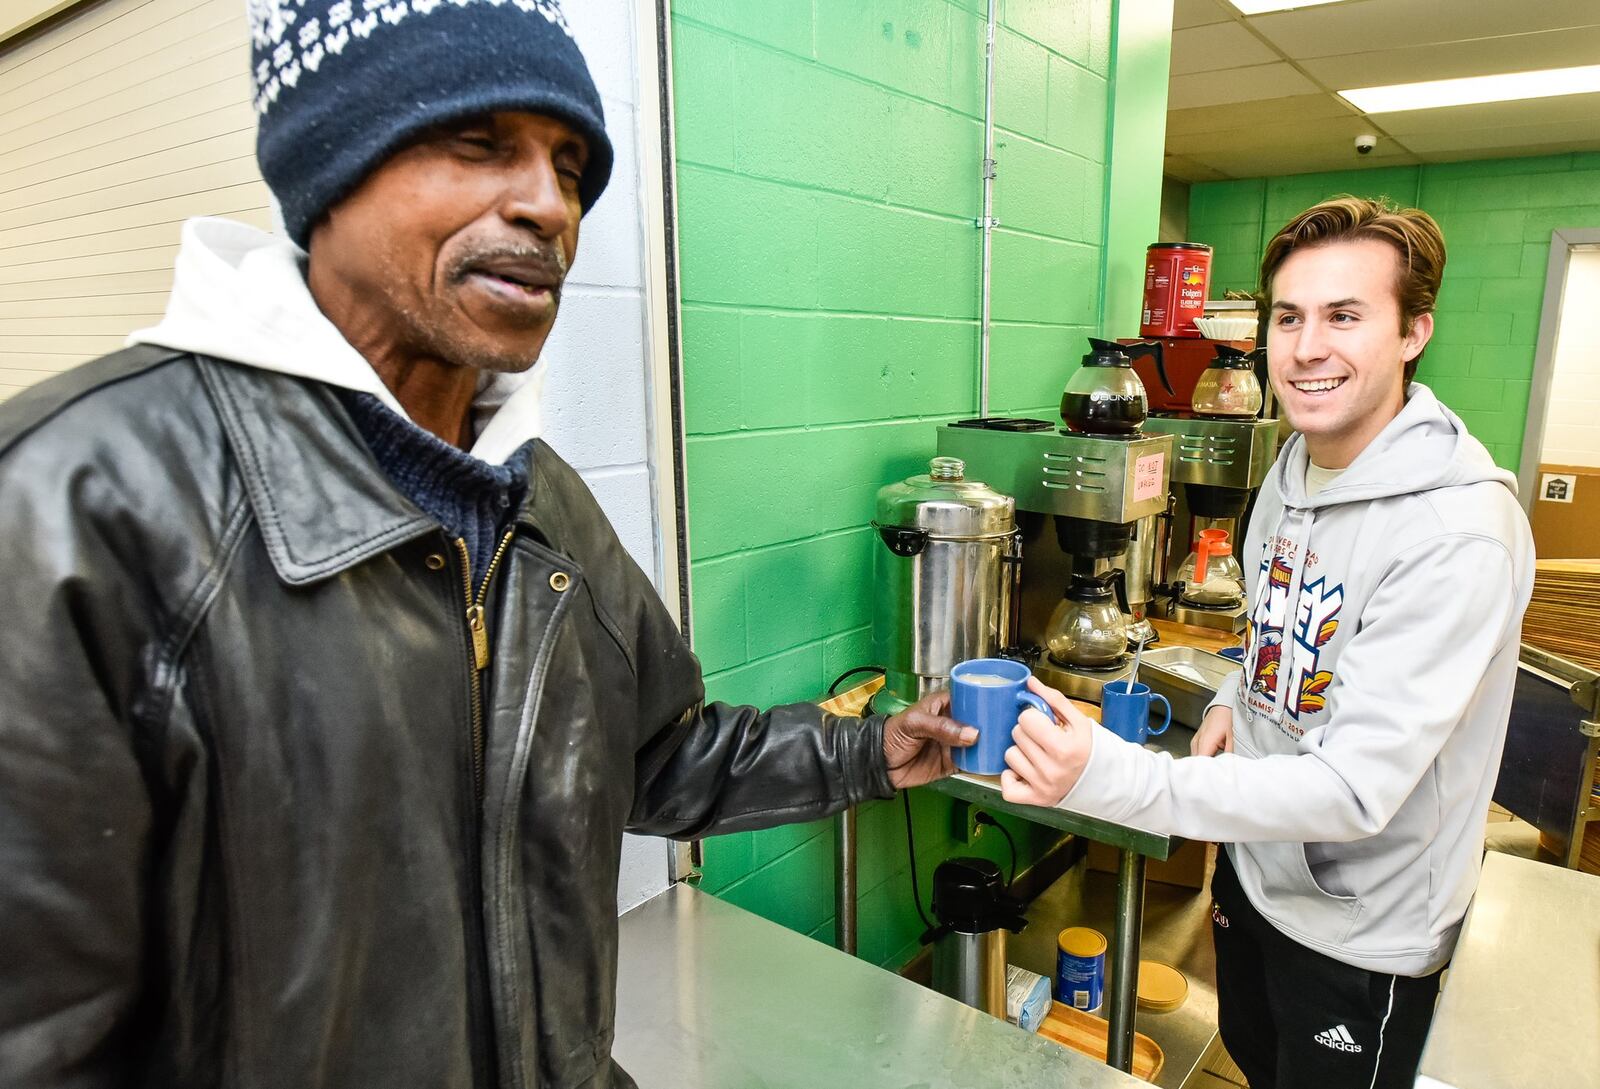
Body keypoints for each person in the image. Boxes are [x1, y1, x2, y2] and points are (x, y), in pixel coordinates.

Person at [0, 3, 975, 1086]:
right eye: (478, 144)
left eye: (569, 163)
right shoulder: (69, 507)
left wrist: (866, 750)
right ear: (331, 163)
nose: (546, 204)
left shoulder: (542, 504)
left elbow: (652, 751)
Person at [1002, 196, 1534, 1088]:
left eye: (1345, 315)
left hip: (1364, 930)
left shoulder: (1457, 533)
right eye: (1290, 316)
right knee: (1253, 1059)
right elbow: (1280, 622)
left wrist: (1113, 776)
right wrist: (1232, 698)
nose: (1307, 346)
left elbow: (1354, 789)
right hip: (1255, 880)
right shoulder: (1291, 467)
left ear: (1413, 332)